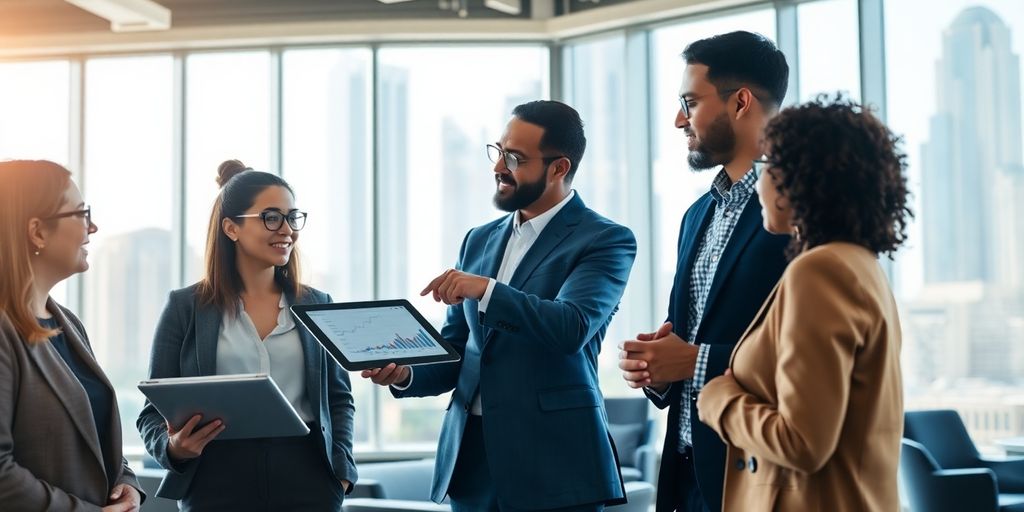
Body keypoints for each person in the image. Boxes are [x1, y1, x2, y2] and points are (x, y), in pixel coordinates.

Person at [362, 100, 636, 511]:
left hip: (556, 463)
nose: (498, 167)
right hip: (472, 462)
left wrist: (487, 290)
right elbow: (459, 348)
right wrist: (405, 373)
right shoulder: (478, 239)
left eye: (515, 158)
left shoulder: (605, 239)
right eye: (499, 151)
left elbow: (571, 327)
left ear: (559, 168)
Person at [696, 95, 910, 511]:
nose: (758, 181)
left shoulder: (819, 272)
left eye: (765, 166)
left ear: (796, 178)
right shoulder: (859, 265)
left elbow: (802, 442)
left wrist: (718, 399)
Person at [617, 31, 790, 512]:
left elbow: (807, 355)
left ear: (740, 102)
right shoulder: (696, 215)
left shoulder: (798, 210)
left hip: (762, 479)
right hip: (688, 475)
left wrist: (694, 361)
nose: (679, 120)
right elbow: (689, 336)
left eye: (689, 103)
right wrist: (657, 368)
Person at [136, 160, 357, 511]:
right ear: (231, 228)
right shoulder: (185, 307)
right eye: (271, 217)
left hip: (309, 479)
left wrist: (341, 474)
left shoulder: (317, 304)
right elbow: (152, 411)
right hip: (214, 481)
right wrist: (173, 449)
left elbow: (339, 399)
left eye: (292, 217)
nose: (287, 230)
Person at [0, 160, 144, 511]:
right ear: (37, 232)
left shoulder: (69, 324)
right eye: (81, 213)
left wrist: (126, 482)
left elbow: (92, 436)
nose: (92, 227)